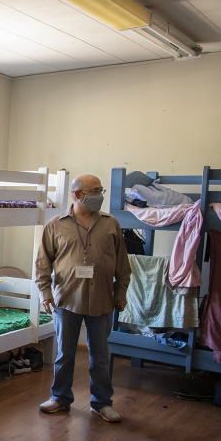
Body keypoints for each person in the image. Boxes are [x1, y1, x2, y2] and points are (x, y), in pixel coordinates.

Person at [35, 173, 131, 422]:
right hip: (67, 299)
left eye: (101, 190)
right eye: (94, 190)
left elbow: (122, 263)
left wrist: (120, 291)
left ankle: (102, 403)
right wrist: (45, 292)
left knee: (99, 356)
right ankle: (60, 398)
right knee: (65, 354)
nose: (99, 195)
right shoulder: (55, 225)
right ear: (77, 194)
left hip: (102, 299)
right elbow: (42, 263)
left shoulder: (111, 223)